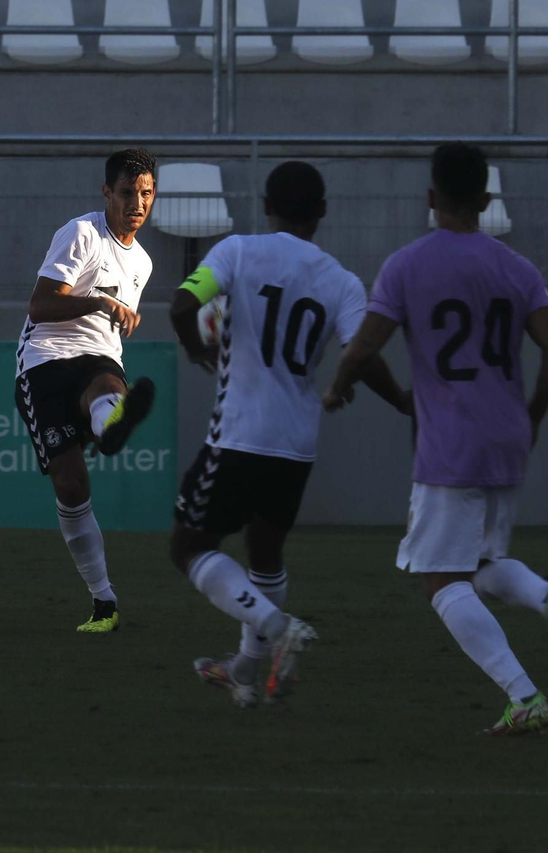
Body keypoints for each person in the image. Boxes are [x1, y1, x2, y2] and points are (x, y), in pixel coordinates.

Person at [326, 142, 548, 736]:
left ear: (430, 197)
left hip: (450, 445)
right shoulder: (518, 268)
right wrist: (535, 415)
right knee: (482, 563)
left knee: (440, 580)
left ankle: (523, 696)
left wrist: (340, 386)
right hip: (506, 439)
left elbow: (364, 346)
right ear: (488, 200)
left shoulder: (407, 264)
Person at [166, 161, 412, 708]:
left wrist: (195, 346)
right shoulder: (341, 281)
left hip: (237, 437)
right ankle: (246, 674)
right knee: (266, 555)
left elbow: (182, 304)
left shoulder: (236, 252)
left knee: (188, 547)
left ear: (266, 204)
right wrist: (399, 400)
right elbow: (361, 353)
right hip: (295, 447)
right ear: (322, 211)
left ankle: (280, 629)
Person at [12, 148, 160, 634]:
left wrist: (106, 316)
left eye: (146, 194)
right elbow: (39, 305)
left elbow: (108, 337)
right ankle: (104, 603)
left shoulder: (143, 262)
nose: (137, 203)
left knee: (106, 380)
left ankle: (111, 421)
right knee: (72, 487)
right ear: (106, 193)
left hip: (99, 359)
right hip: (45, 363)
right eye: (127, 193)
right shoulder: (81, 233)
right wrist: (100, 302)